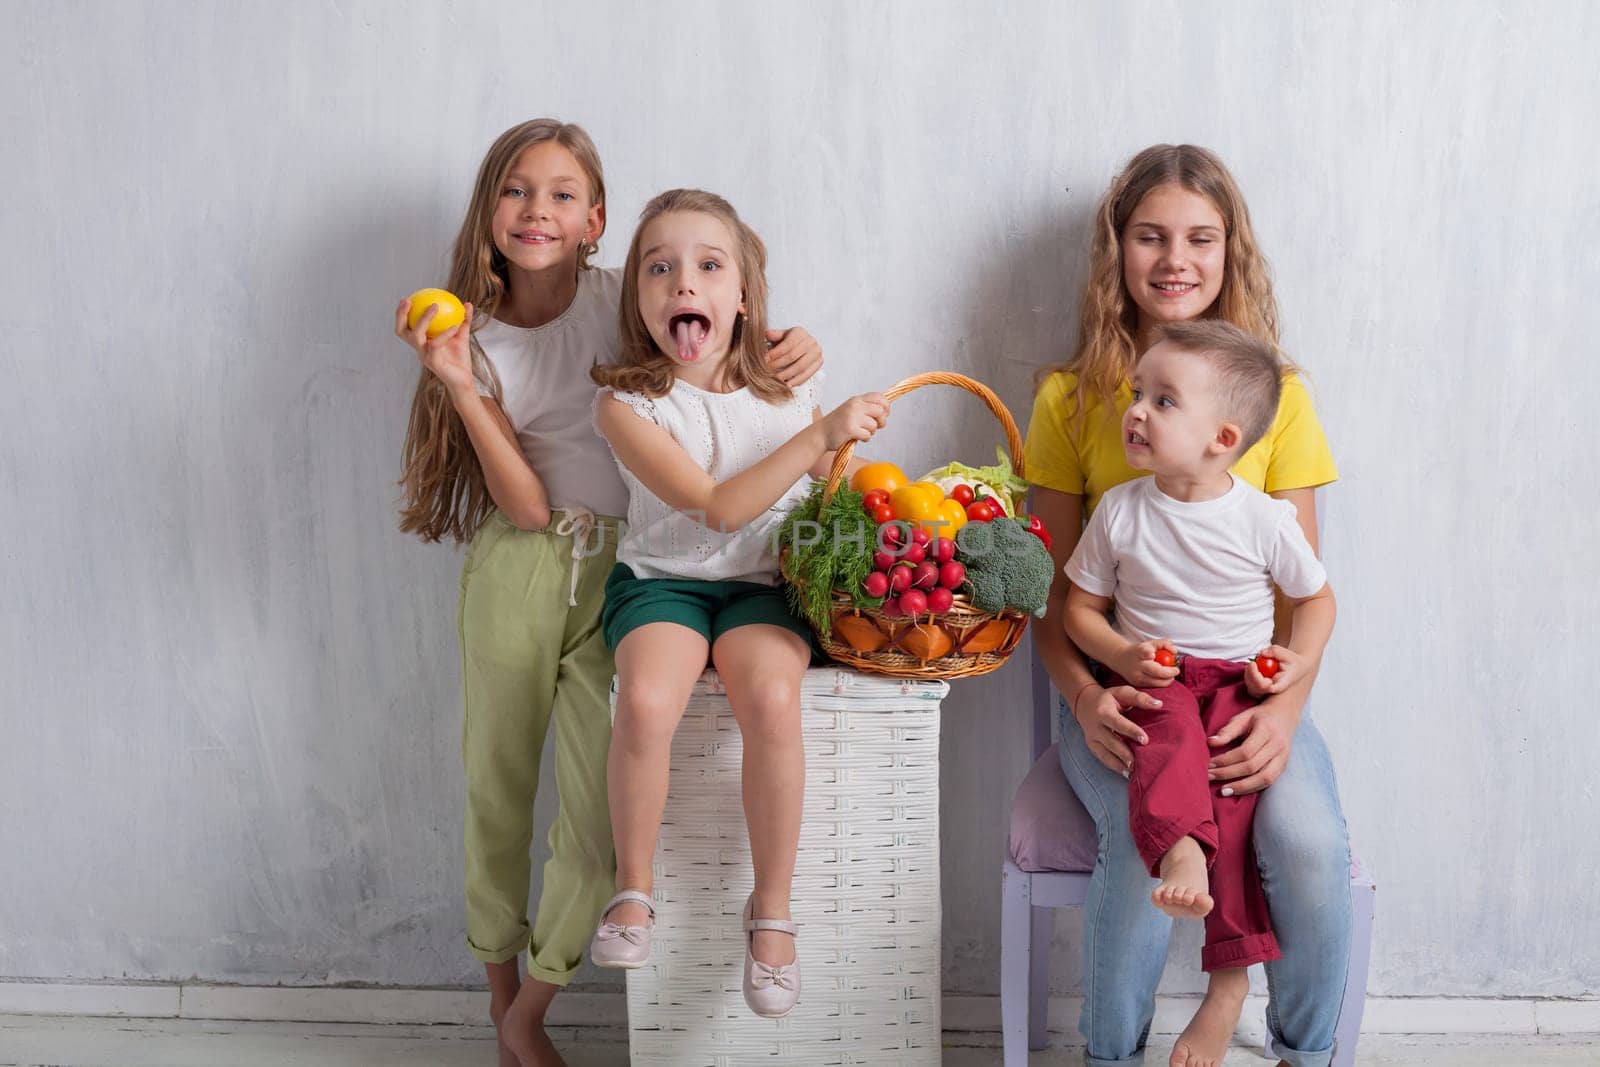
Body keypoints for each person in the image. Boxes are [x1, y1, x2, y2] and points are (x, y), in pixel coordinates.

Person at [394, 121, 823, 1067]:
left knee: (592, 816)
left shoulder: (627, 299)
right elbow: (528, 501)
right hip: (523, 561)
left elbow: (716, 333)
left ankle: (531, 1007)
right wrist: (463, 385)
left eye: (560, 194)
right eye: (516, 190)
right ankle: (509, 1016)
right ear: (489, 209)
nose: (536, 210)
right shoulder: (469, 331)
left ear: (595, 221)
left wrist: (789, 340)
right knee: (497, 793)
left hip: (627, 568)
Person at [1024, 144, 1352, 1067]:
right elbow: (1058, 601)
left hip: (1248, 690)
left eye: (1201, 238)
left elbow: (1306, 601)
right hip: (1126, 690)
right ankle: (1112, 1057)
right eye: (1151, 236)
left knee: (1309, 842)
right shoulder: (1073, 399)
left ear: (1229, 250)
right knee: (1144, 833)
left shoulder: (1277, 397)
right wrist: (1089, 698)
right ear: (1117, 250)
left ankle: (1309, 1054)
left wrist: (1283, 712)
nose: (1176, 258)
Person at [587, 188, 888, 1020]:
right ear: (638, 299)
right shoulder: (625, 405)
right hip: (663, 581)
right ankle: (634, 890)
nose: (685, 281)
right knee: (647, 699)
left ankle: (773, 910)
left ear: (743, 298)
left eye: (709, 266)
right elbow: (716, 506)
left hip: (764, 584)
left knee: (769, 696)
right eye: (660, 268)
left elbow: (830, 486)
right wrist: (820, 436)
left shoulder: (789, 387)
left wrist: (861, 481)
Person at [1063, 321, 1338, 1067]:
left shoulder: (1261, 517)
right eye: (1137, 394)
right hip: (1157, 678)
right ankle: (1180, 850)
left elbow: (1317, 601)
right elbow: (1076, 611)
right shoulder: (1121, 512)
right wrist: (1121, 652)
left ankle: (1228, 985)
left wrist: (1289, 668)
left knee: (1242, 805)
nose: (1138, 411)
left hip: (1240, 685)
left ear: (1222, 437)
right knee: (1166, 739)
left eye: (1162, 400)